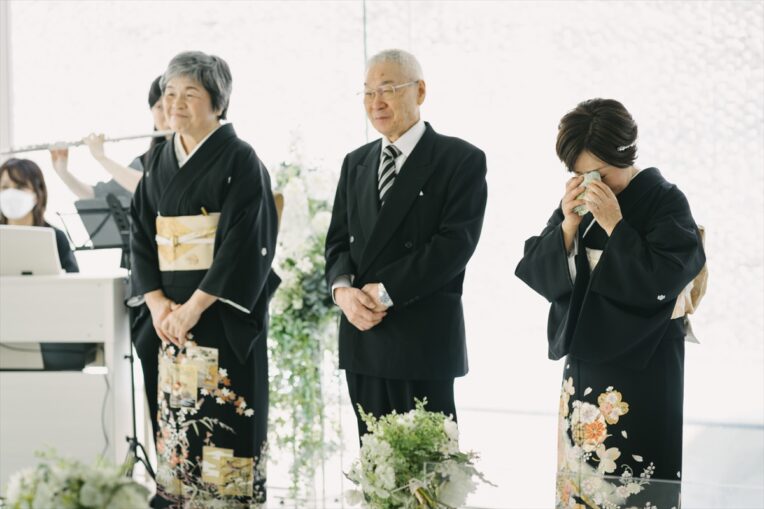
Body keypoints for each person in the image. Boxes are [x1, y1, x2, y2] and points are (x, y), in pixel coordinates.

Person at [514, 99, 706, 507]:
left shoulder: (665, 200)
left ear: (626, 154)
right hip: (586, 364)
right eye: (580, 174)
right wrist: (568, 226)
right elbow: (537, 270)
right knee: (580, 480)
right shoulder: (579, 204)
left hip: (645, 367)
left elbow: (665, 277)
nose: (592, 184)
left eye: (600, 173)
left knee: (639, 480)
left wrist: (615, 225)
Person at [129, 51, 278, 507]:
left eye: (189, 94)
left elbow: (244, 244)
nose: (175, 103)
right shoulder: (157, 160)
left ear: (218, 103)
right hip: (169, 323)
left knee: (223, 434)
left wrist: (193, 307)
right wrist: (157, 303)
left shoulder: (240, 158)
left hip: (216, 315)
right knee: (178, 436)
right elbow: (140, 233)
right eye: (170, 93)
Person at [324, 49, 488, 440]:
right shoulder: (355, 162)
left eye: (388, 89)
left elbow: (454, 246)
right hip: (363, 336)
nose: (376, 102)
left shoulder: (459, 158)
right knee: (373, 464)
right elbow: (337, 243)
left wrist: (384, 293)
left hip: (422, 341)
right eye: (367, 93)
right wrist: (343, 293)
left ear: (420, 91)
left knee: (429, 468)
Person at [49, 75, 169, 199]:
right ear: (151, 110)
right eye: (159, 107)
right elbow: (97, 195)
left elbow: (151, 186)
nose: (167, 114)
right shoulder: (144, 162)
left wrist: (102, 158)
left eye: (171, 106)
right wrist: (63, 172)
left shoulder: (181, 155)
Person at [0, 158, 78, 272]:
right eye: (4, 187)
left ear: (37, 194)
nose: (11, 193)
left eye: (20, 187)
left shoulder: (56, 237)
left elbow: (73, 279)